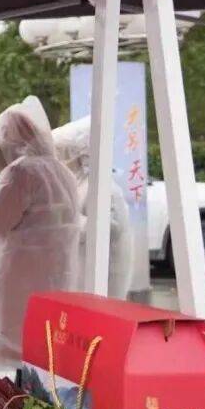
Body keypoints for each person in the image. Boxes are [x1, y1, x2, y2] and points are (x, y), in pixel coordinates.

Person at [0, 96, 80, 365]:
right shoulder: (61, 171)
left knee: (11, 333)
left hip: (19, 272)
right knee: (44, 335)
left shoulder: (21, 172)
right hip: (56, 271)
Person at [52, 116, 134, 300]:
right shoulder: (82, 185)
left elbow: (108, 229)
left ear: (80, 155)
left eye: (64, 154)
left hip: (104, 279)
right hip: (85, 274)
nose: (61, 161)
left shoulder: (102, 188)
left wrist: (66, 219)